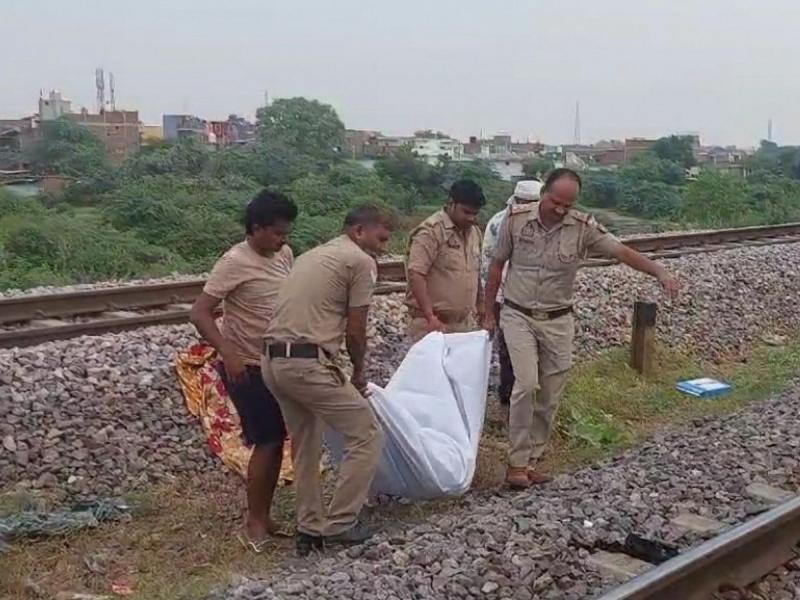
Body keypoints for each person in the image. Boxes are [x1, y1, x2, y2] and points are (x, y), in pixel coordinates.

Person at [482, 168, 680, 489]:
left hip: (558, 320)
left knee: (550, 394)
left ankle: (532, 462)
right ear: (543, 194)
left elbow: (621, 251)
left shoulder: (583, 227)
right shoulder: (515, 220)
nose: (560, 210)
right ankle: (516, 464)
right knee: (526, 384)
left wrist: (659, 271)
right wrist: (487, 311)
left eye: (567, 205)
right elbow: (496, 265)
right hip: (517, 314)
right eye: (555, 202)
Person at [261, 204, 394, 556]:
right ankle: (342, 522)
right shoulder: (360, 261)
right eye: (381, 239)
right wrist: (359, 371)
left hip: (272, 362)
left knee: (306, 446)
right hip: (307, 364)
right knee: (366, 433)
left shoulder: (312, 254)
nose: (384, 247)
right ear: (359, 231)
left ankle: (309, 528)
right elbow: (356, 330)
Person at [189, 189, 298, 551]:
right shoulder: (234, 261)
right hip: (246, 366)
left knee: (277, 439)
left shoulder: (283, 254)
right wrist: (228, 352)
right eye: (277, 233)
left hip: (278, 362)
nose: (283, 240)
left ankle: (265, 515)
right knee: (266, 440)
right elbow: (200, 312)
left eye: (286, 233)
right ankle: (254, 522)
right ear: (257, 228)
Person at [481, 179, 543, 407]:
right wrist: (490, 306)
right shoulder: (501, 223)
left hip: (532, 296)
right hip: (506, 297)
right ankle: (509, 398)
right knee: (510, 347)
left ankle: (525, 396)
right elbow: (491, 267)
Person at [405, 179, 486, 342]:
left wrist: (481, 307)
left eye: (475, 214)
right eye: (466, 212)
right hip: (432, 324)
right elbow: (416, 274)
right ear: (451, 204)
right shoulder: (431, 232)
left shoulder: (474, 233)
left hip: (463, 324)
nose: (471, 218)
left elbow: (475, 272)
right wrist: (430, 317)